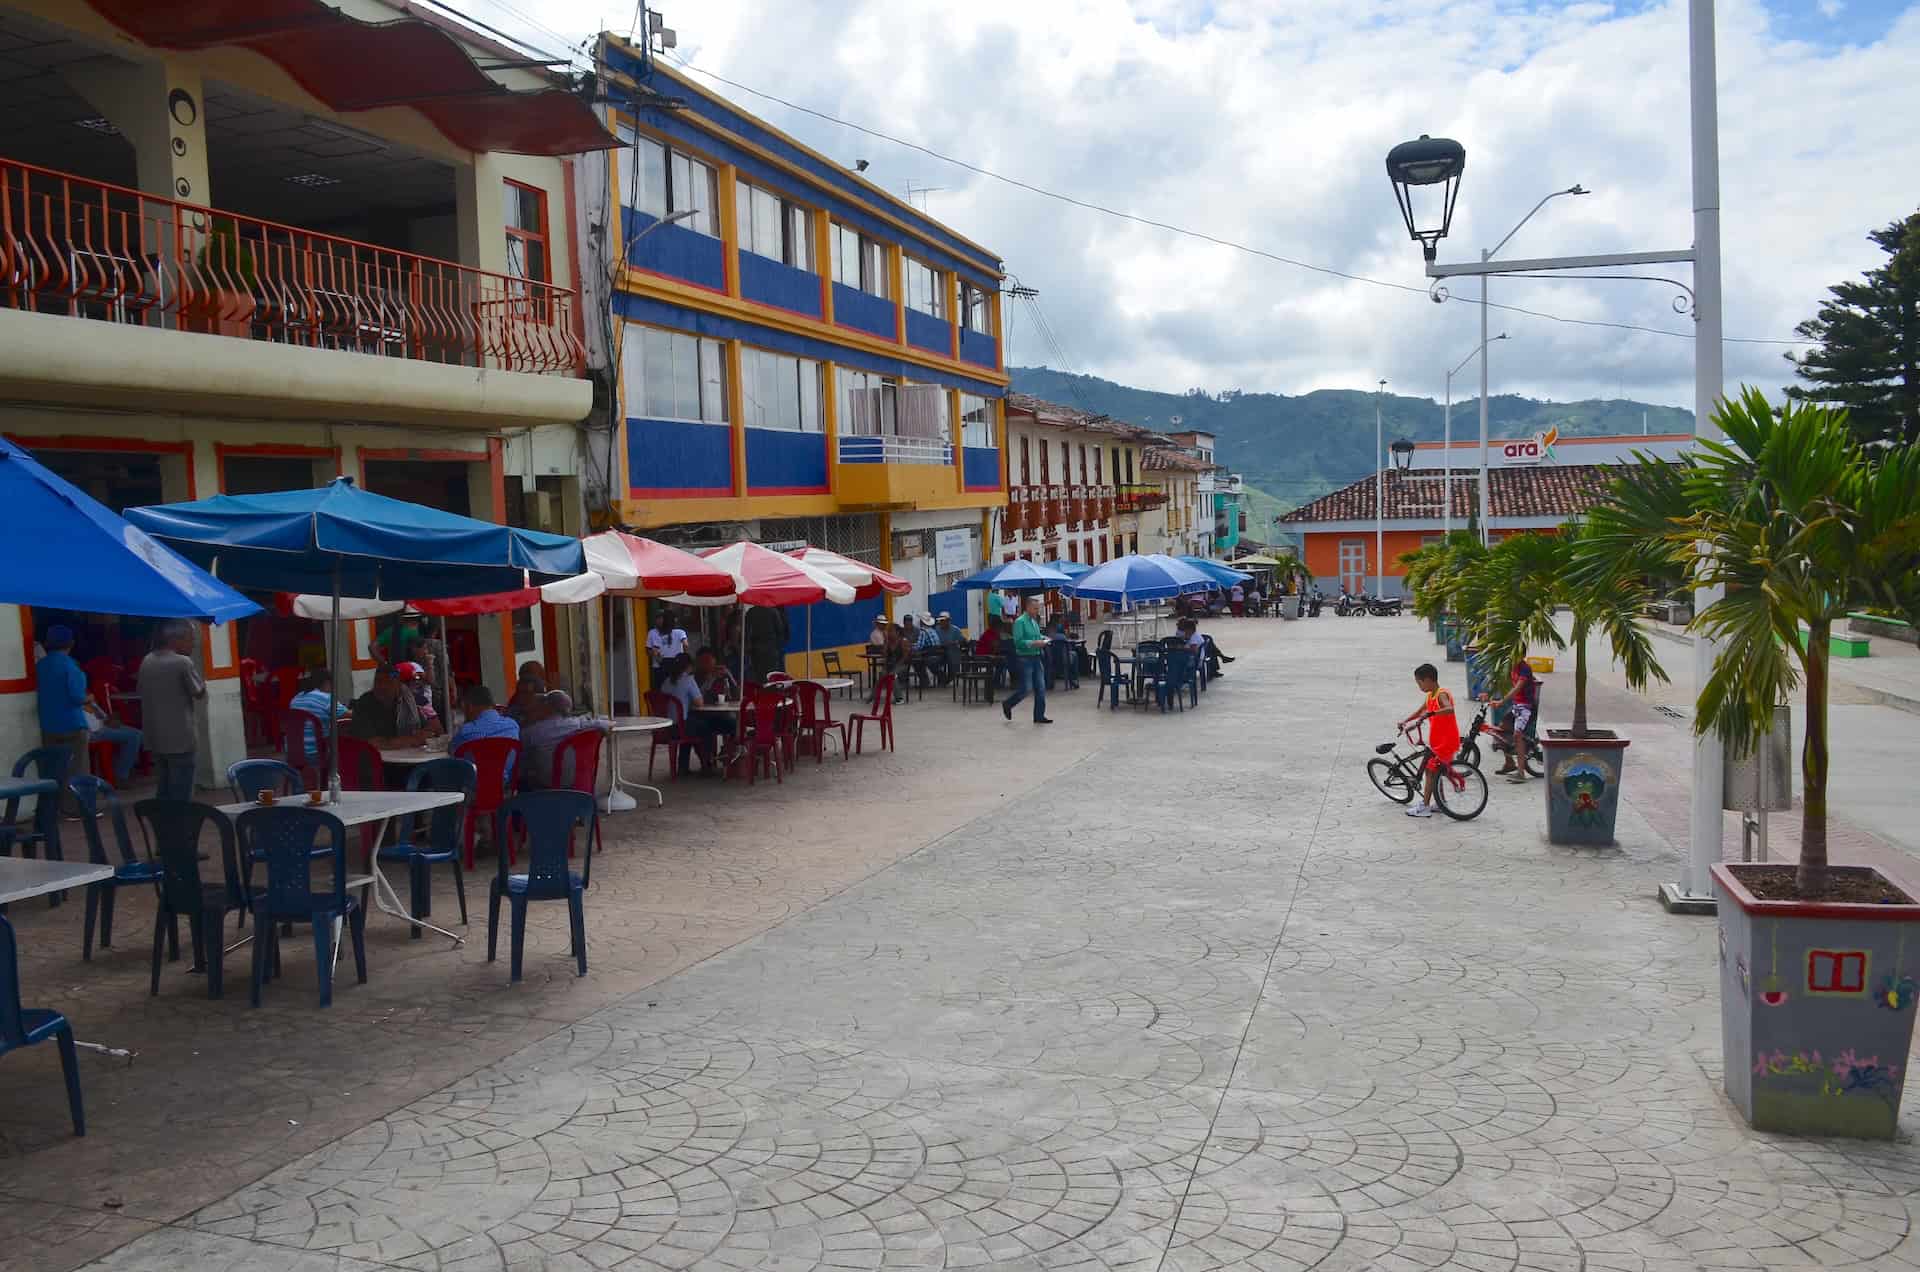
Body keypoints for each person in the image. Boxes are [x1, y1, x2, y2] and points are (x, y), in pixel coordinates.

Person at [136, 621, 206, 801]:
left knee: (164, 787)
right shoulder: (182, 662)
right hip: (180, 738)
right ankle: (180, 826)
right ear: (176, 639)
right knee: (182, 791)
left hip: (156, 738)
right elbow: (198, 692)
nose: (193, 644)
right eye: (190, 639)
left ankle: (164, 826)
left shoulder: (148, 659)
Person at [35, 626, 91, 801]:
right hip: (72, 725)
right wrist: (88, 698)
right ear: (71, 643)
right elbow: (76, 697)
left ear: (46, 644)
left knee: (53, 769)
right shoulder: (71, 666)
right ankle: (76, 807)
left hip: (48, 725)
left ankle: (54, 807)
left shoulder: (39, 666)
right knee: (77, 768)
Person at [1400, 662, 1460, 818]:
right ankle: (1441, 802)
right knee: (1435, 771)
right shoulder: (1430, 696)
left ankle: (1425, 806)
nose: (1419, 686)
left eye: (1419, 682)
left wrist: (1431, 714)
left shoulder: (1441, 693)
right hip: (1437, 742)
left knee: (1430, 772)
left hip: (1446, 741)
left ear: (1428, 680)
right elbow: (1420, 712)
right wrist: (1406, 721)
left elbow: (1449, 708)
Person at [658, 653, 732, 774]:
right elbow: (699, 703)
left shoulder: (666, 682)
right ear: (688, 667)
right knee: (706, 728)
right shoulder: (688, 679)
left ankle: (683, 766)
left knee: (691, 723)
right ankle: (706, 764)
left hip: (665, 727)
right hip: (680, 727)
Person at [519, 690, 605, 790]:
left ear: (547, 707)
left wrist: (527, 721)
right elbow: (603, 723)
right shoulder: (578, 724)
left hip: (548, 784)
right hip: (581, 781)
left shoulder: (533, 732)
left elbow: (519, 755)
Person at [1483, 657, 1540, 783]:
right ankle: (1509, 763)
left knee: (1517, 735)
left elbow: (1517, 688)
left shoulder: (1524, 669)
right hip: (1516, 706)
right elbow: (1501, 681)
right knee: (1501, 730)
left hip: (1526, 707)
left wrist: (1501, 702)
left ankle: (1521, 773)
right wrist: (1488, 693)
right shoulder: (1511, 667)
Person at [450, 682, 520, 784]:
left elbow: (452, 750)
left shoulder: (466, 732)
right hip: (505, 786)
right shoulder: (512, 725)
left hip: (475, 787)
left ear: (468, 706)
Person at [348, 664, 428, 749]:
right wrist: (413, 740)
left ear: (398, 685)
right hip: (375, 758)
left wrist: (424, 733)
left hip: (408, 755)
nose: (382, 686)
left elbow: (428, 729)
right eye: (378, 681)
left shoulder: (408, 701)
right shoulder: (364, 703)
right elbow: (374, 743)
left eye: (388, 682)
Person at [1001, 596, 1052, 724]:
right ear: (1028, 607)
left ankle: (1039, 716)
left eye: (1038, 608)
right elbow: (1018, 642)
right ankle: (1008, 704)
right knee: (1026, 688)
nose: (1037, 611)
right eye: (1035, 608)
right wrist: (1034, 643)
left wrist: (1044, 638)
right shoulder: (1020, 622)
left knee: (1041, 687)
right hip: (1025, 658)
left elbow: (1036, 635)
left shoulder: (1034, 622)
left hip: (1036, 656)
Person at [82, 688, 142, 786]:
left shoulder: (86, 696)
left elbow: (102, 716)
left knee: (139, 734)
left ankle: (120, 770)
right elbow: (91, 726)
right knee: (134, 737)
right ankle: (121, 776)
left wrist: (109, 720)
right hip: (93, 732)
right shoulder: (72, 699)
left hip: (103, 726)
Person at [288, 667, 349, 763]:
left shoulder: (296, 697)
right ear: (327, 683)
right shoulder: (325, 699)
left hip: (292, 752)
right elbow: (349, 716)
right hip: (315, 753)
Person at [646, 611, 688, 683]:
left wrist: (683, 659)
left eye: (662, 618)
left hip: (674, 664)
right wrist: (656, 656)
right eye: (658, 618)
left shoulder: (679, 632)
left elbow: (685, 645)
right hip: (660, 665)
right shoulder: (653, 632)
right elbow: (649, 650)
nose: (660, 620)